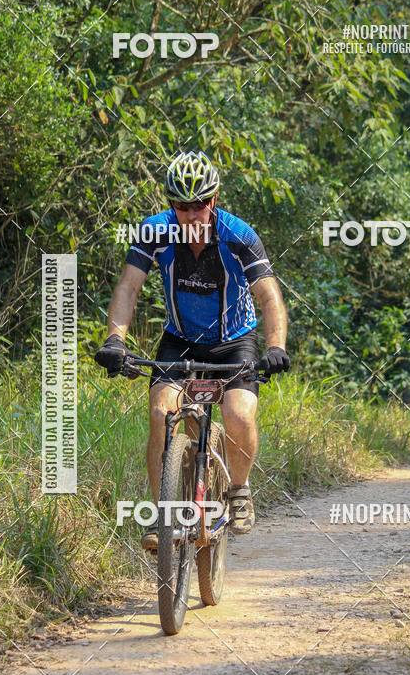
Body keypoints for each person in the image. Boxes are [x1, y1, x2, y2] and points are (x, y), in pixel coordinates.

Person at [94, 150, 290, 550]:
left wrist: (275, 347)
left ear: (213, 201)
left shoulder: (238, 236)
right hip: (179, 340)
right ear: (171, 206)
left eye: (199, 205)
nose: (191, 215)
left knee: (237, 414)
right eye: (182, 206)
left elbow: (269, 297)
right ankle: (162, 514)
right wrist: (116, 339)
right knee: (159, 411)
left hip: (235, 341)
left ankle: (238, 489)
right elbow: (128, 288)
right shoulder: (155, 232)